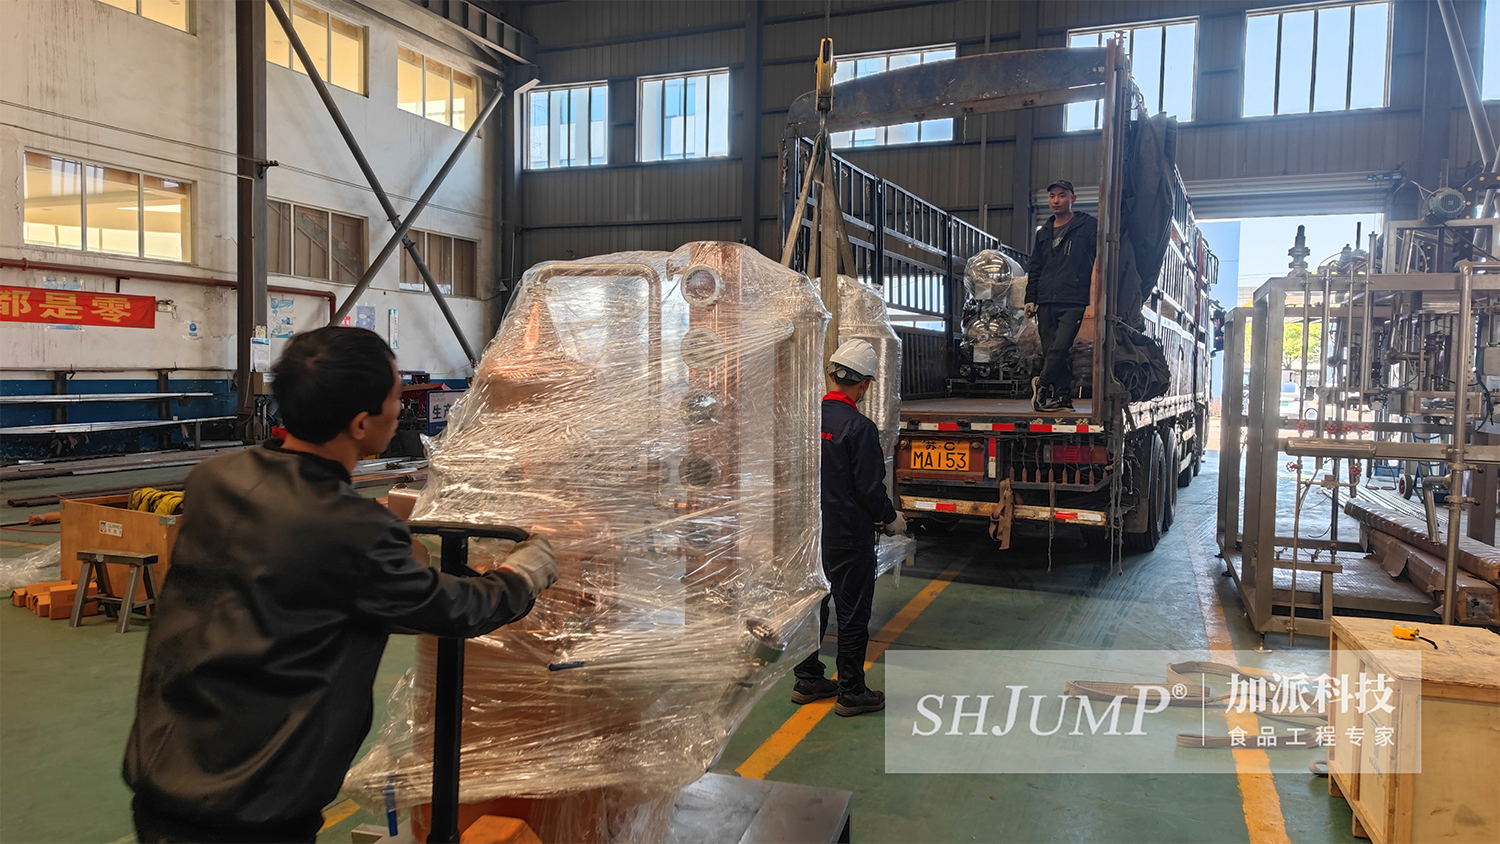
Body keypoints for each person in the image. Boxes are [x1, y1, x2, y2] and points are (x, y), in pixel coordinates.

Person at [124, 327, 559, 843]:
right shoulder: (352, 529)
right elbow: (455, 609)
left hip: (167, 768)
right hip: (252, 802)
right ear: (360, 423)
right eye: (395, 398)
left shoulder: (217, 478)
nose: (400, 409)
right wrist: (521, 574)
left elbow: (307, 579)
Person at [791, 339, 905, 717]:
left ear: (832, 375)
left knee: (813, 606)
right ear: (865, 384)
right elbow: (870, 488)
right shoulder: (860, 427)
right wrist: (890, 519)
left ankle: (807, 679)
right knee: (853, 613)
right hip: (847, 536)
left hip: (809, 534)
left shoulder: (807, 420)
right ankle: (852, 691)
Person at [1025, 179, 1099, 412]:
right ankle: (1063, 397)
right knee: (1052, 351)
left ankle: (1042, 383)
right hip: (1046, 299)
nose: (1056, 200)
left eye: (1062, 195)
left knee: (1061, 346)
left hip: (1073, 298)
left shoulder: (1087, 226)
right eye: (1052, 196)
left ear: (1072, 199)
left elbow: (1103, 253)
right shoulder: (1043, 232)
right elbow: (1035, 267)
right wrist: (1030, 298)